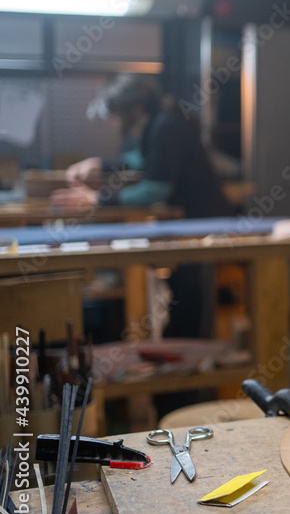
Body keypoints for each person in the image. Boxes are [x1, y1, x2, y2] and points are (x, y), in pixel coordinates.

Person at [52, 74, 232, 338]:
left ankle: (192, 352)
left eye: (116, 115)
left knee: (190, 289)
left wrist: (99, 200)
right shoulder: (157, 124)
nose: (114, 123)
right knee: (180, 285)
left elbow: (156, 188)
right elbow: (141, 160)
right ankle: (182, 346)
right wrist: (99, 163)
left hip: (203, 220)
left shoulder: (165, 126)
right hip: (188, 219)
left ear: (134, 109)